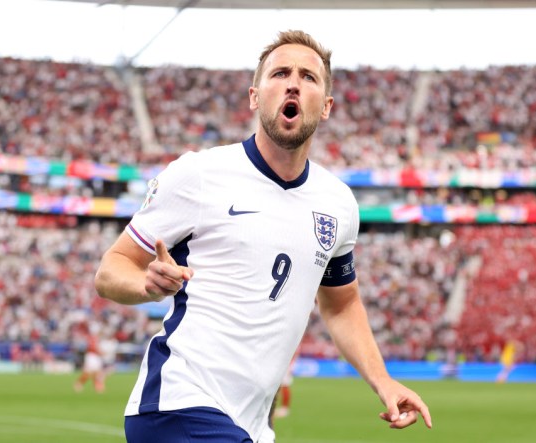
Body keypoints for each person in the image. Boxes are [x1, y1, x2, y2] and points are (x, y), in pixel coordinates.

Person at [95, 29, 432, 443]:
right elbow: (111, 270)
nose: (293, 82)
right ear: (256, 96)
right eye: (280, 73)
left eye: (308, 77)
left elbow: (342, 305)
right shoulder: (199, 175)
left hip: (251, 425)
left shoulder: (338, 204)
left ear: (325, 107)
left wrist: (384, 382)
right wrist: (144, 284)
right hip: (177, 403)